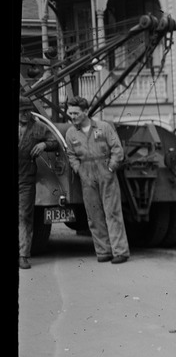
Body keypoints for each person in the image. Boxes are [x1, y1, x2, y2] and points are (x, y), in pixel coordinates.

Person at [63, 96, 131, 263]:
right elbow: (71, 155)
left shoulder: (103, 127)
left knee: (112, 212)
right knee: (94, 215)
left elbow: (117, 149)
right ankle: (103, 252)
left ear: (86, 112)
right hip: (86, 174)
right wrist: (79, 170)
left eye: (76, 113)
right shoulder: (71, 133)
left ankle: (120, 252)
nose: (72, 116)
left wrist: (110, 168)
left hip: (105, 170)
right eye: (70, 113)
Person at [18, 96, 59, 269]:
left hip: (26, 178)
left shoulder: (38, 127)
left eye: (27, 110)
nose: (25, 114)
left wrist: (43, 145)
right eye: (21, 111)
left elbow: (54, 141)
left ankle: (23, 255)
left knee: (25, 216)